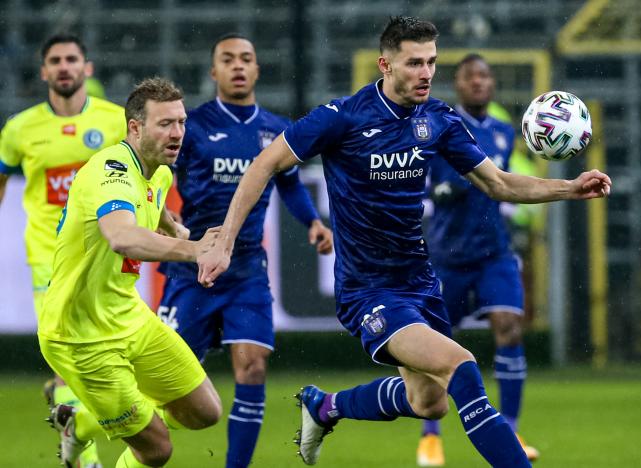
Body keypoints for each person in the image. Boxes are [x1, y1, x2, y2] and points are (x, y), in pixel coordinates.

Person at [198, 16, 611, 467]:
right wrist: (224, 241)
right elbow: (263, 164)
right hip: (368, 290)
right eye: (415, 62)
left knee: (427, 402)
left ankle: (324, 406)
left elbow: (498, 184)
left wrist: (570, 187)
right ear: (385, 65)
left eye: (432, 62)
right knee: (463, 367)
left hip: (420, 284)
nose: (427, 73)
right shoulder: (343, 118)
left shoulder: (438, 120)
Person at [156, 33, 333, 468]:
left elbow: (289, 183)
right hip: (191, 270)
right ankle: (97, 430)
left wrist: (311, 220)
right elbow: (153, 179)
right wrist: (167, 228)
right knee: (166, 387)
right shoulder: (191, 126)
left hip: (247, 269)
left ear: (257, 70)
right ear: (213, 71)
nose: (238, 66)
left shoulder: (274, 130)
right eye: (228, 59)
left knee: (252, 367)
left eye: (246, 59)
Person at [39, 77, 223, 468]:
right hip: (80, 334)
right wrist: (194, 250)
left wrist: (173, 226)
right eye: (165, 124)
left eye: (182, 122)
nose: (178, 134)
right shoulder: (110, 168)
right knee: (156, 449)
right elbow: (122, 236)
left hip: (128, 315)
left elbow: (150, 211)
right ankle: (98, 426)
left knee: (205, 412)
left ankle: (79, 423)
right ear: (135, 128)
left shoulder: (158, 173)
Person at [0, 32, 126, 468]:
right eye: (55, 60)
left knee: (111, 355)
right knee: (68, 352)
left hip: (104, 256)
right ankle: (84, 455)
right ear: (44, 72)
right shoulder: (19, 129)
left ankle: (65, 404)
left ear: (87, 69)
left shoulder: (115, 122)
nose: (64, 67)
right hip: (48, 258)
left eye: (72, 59)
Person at [417, 53, 538, 466]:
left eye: (485, 76)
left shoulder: (505, 131)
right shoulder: (439, 126)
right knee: (437, 345)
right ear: (459, 85)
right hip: (448, 255)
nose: (479, 83)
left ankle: (513, 430)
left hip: (495, 253)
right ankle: (430, 435)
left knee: (509, 327)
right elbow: (424, 184)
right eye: (471, 77)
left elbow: (509, 183)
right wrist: (443, 191)